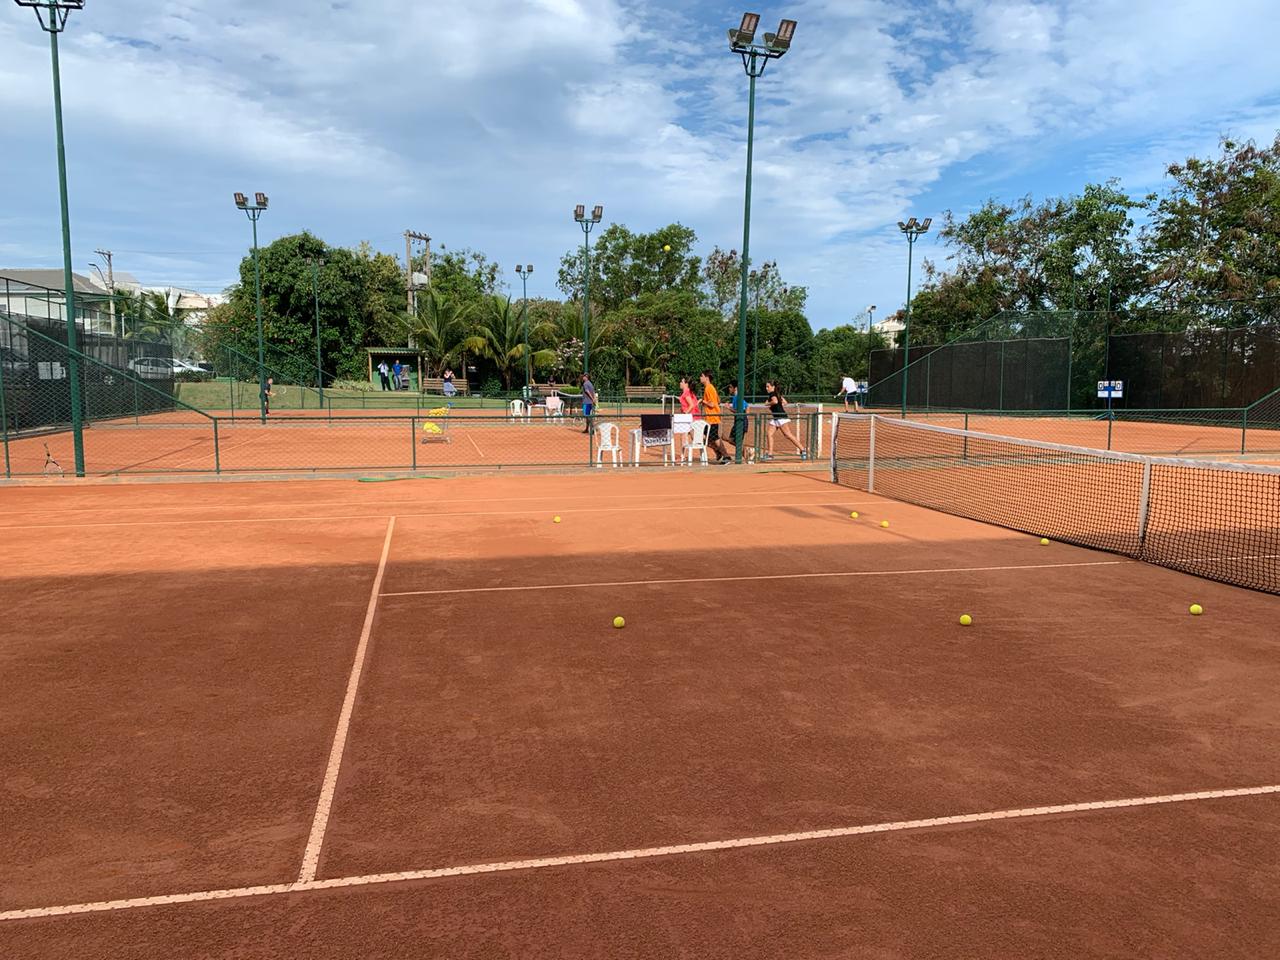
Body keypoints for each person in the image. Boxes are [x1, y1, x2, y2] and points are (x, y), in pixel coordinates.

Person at [763, 379, 808, 460]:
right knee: (769, 434)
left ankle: (803, 450)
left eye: (768, 386)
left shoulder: (772, 394)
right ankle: (770, 454)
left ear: (773, 387)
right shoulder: (776, 393)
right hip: (776, 417)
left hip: (781, 417)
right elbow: (785, 402)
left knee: (788, 435)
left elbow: (775, 401)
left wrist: (768, 404)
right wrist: (776, 406)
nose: (766, 388)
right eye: (766, 386)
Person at [698, 370, 731, 464]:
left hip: (713, 418)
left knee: (715, 439)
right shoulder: (710, 388)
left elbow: (712, 404)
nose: (700, 378)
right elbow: (718, 401)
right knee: (706, 438)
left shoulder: (709, 388)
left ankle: (726, 456)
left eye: (702, 376)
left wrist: (702, 401)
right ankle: (719, 452)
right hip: (710, 419)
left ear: (706, 378)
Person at [673, 375, 700, 459]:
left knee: (685, 437)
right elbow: (694, 404)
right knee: (694, 438)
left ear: (686, 384)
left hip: (690, 419)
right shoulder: (689, 392)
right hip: (694, 418)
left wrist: (685, 414)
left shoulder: (686, 393)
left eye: (682, 382)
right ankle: (684, 456)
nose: (680, 383)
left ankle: (683, 456)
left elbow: (691, 405)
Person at [723, 381, 750, 461]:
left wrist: (728, 407)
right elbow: (747, 406)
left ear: (735, 388)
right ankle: (746, 451)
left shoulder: (737, 397)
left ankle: (746, 455)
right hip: (738, 422)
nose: (729, 389)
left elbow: (739, 410)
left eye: (731, 387)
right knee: (731, 440)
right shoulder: (736, 397)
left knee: (736, 441)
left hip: (741, 422)